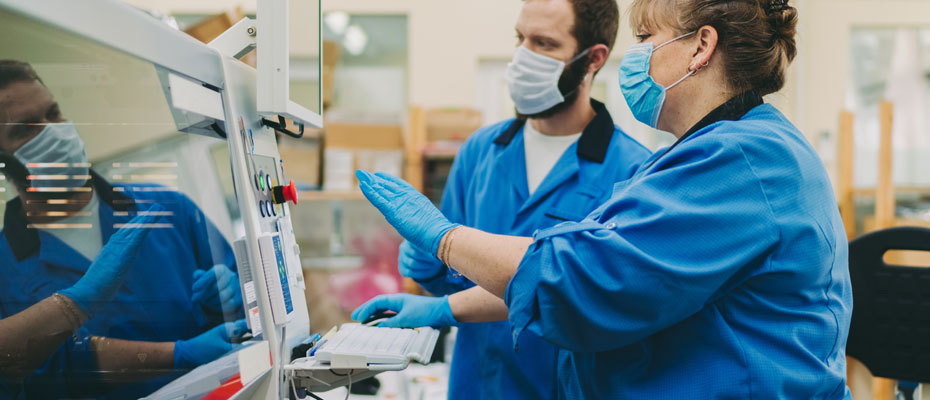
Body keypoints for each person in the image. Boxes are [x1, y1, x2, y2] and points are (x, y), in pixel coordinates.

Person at [352, 0, 853, 398]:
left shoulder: (742, 161)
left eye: (645, 39)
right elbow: (598, 270)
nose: (634, 57)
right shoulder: (706, 154)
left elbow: (585, 277)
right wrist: (444, 306)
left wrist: (446, 238)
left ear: (701, 47)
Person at [362, 0, 650, 398]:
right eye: (520, 38)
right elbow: (451, 281)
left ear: (593, 59)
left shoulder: (634, 171)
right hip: (475, 384)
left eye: (544, 43)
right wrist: (430, 266)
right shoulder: (481, 151)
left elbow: (597, 296)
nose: (523, 57)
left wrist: (444, 305)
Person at [0, 60, 245, 399]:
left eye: (53, 113)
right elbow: (31, 376)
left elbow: (252, 315)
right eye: (26, 129)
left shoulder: (169, 208)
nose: (52, 131)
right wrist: (180, 354)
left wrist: (232, 299)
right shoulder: (5, 267)